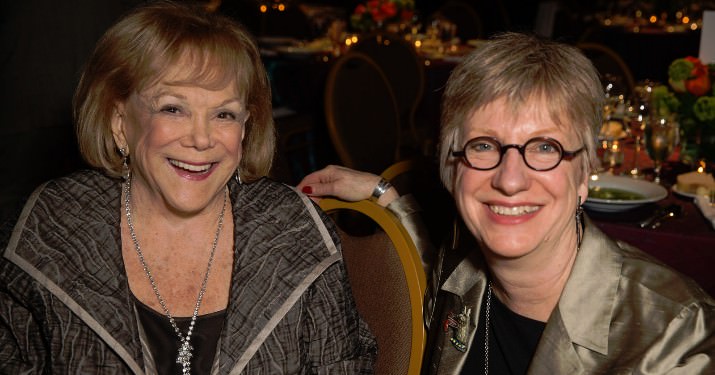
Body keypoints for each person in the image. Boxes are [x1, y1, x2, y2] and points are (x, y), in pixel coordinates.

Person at [297, 32, 715, 374]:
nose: (510, 179)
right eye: (483, 145)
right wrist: (381, 194)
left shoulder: (676, 335)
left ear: (586, 172)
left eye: (545, 147)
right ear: (451, 167)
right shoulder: (458, 282)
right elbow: (421, 267)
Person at [0, 2, 375, 374]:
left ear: (245, 128)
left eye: (224, 114)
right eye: (173, 109)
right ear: (119, 122)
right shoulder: (52, 229)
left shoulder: (294, 233)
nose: (201, 138)